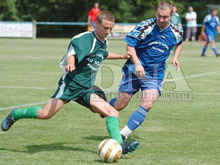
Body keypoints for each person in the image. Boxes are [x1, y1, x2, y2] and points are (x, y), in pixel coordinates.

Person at [1, 11, 139, 155]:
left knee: (112, 112)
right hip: (71, 85)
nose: (108, 32)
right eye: (105, 28)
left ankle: (119, 146)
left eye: (111, 28)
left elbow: (103, 54)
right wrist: (71, 64)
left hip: (86, 89)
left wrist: (121, 56)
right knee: (45, 114)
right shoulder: (85, 39)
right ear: (96, 24)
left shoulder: (103, 41)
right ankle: (16, 114)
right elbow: (71, 54)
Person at [109, 2, 183, 141]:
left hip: (155, 74)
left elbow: (180, 43)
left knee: (148, 103)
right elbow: (129, 45)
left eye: (165, 17)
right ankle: (104, 106)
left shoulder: (176, 32)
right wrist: (137, 64)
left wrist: (176, 57)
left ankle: (122, 135)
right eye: (159, 16)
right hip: (134, 69)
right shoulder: (145, 26)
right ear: (156, 13)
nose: (161, 20)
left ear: (171, 16)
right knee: (120, 105)